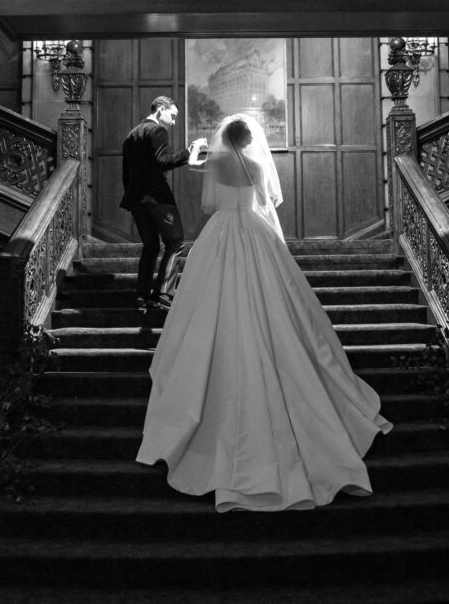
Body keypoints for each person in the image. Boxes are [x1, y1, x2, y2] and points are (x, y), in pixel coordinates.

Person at [136, 114, 392, 512]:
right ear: (250, 138)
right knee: (281, 306)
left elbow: (211, 204)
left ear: (225, 138)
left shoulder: (218, 163)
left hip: (221, 233)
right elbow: (263, 202)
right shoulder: (256, 164)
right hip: (254, 231)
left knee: (208, 309)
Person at [120, 96, 206, 312]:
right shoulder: (157, 131)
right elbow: (163, 161)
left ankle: (142, 295)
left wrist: (132, 198)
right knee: (175, 242)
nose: (174, 122)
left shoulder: (131, 135)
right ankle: (163, 294)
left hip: (136, 199)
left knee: (150, 246)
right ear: (160, 109)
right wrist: (189, 151)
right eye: (173, 116)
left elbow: (126, 174)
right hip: (157, 198)